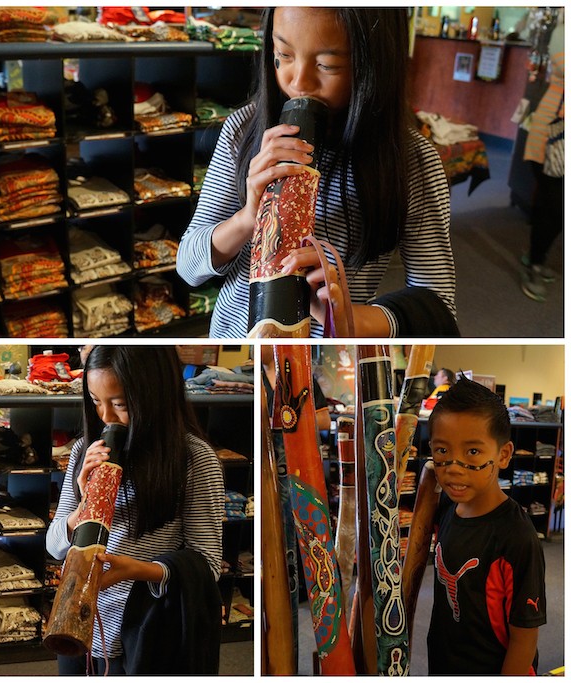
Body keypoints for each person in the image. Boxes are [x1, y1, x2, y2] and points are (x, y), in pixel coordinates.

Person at [177, 7, 457, 338]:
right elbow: (188, 268)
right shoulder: (244, 130)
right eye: (283, 53)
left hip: (324, 362)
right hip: (237, 349)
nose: (298, 82)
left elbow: (438, 304)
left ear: (376, 64)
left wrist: (345, 315)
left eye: (328, 65)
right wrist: (248, 217)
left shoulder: (412, 162)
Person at [45, 346, 224, 674]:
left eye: (120, 404)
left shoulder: (195, 460)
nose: (106, 418)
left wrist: (136, 569)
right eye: (96, 401)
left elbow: (208, 564)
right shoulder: (87, 450)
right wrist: (85, 503)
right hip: (76, 623)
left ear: (156, 395)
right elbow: (55, 547)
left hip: (146, 630)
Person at [426, 379, 546, 674]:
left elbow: (525, 637)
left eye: (473, 453)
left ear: (503, 455)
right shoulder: (446, 508)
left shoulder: (517, 537)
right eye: (442, 451)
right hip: (443, 662)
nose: (454, 466)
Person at [521, 13, 564, 302]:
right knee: (554, 206)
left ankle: (535, 257)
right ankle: (534, 264)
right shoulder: (562, 30)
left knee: (555, 207)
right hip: (551, 132)